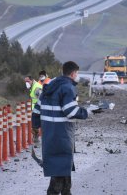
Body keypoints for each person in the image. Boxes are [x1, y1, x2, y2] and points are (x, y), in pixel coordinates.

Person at [32, 61, 96, 195]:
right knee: (60, 169)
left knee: (63, 167)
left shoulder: (48, 87)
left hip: (50, 135)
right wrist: (87, 112)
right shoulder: (67, 87)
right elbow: (70, 111)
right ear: (73, 73)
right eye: (77, 73)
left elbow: (36, 111)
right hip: (62, 135)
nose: (77, 76)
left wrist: (36, 127)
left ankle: (67, 192)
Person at [24, 76, 43, 143]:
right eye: (25, 81)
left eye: (28, 81)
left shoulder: (36, 87)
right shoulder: (32, 86)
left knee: (37, 125)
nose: (26, 83)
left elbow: (42, 98)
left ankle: (38, 139)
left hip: (39, 109)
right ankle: (36, 139)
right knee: (36, 125)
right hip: (36, 109)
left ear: (32, 80)